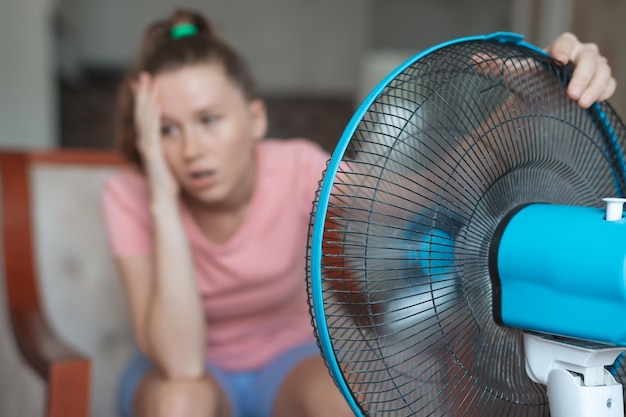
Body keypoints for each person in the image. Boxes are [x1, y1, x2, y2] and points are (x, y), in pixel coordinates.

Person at [101, 8, 617, 417]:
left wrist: (529, 98)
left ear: (255, 119)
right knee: (179, 401)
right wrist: (160, 197)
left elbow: (428, 190)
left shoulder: (300, 169)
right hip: (190, 376)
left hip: (284, 367)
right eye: (166, 130)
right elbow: (181, 362)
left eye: (209, 119)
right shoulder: (129, 197)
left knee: (338, 405)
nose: (191, 149)